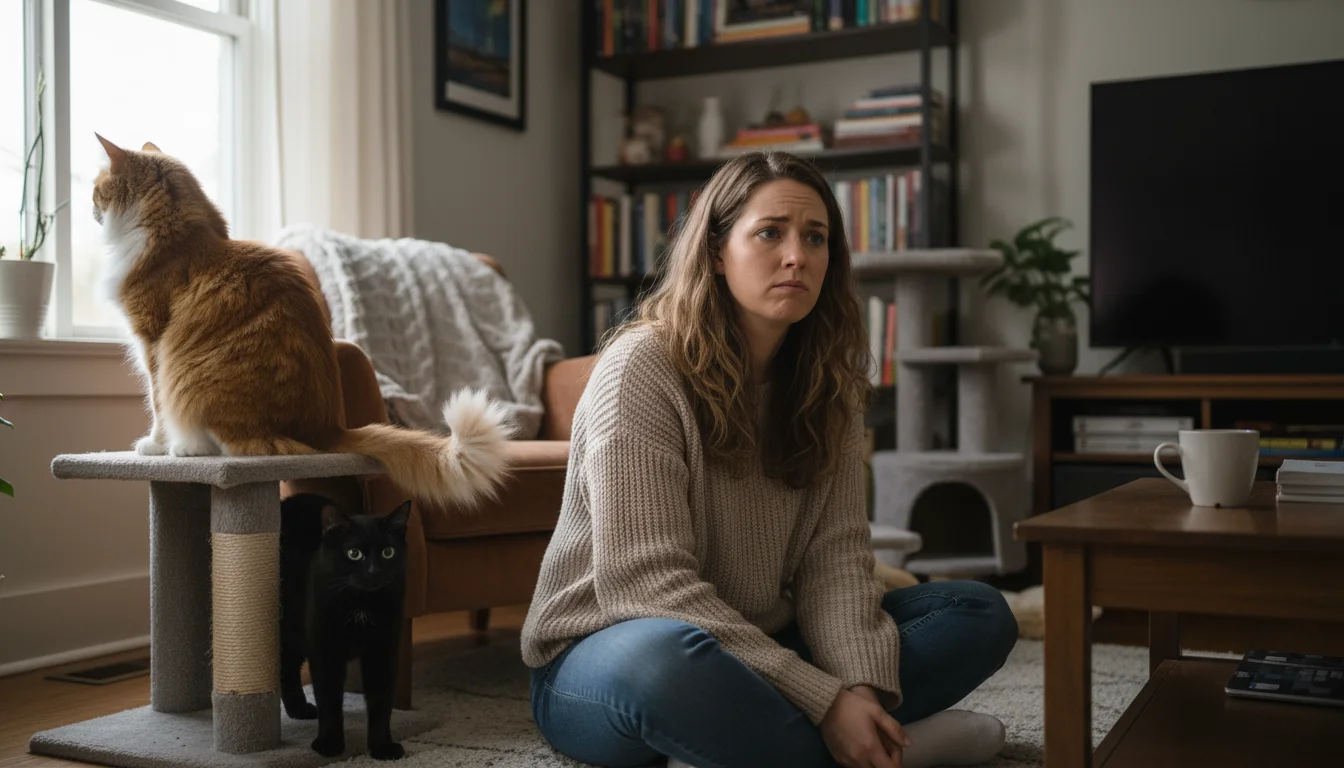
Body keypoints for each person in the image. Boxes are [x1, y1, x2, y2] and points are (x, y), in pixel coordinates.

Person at [520, 151, 1017, 768]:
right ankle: (897, 750)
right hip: (607, 652)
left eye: (816, 238)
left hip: (759, 644)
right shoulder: (641, 370)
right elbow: (645, 587)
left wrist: (855, 688)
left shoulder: (829, 386)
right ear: (716, 252)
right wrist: (824, 700)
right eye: (769, 233)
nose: (797, 256)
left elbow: (833, 562)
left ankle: (762, 745)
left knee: (978, 612)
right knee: (664, 662)